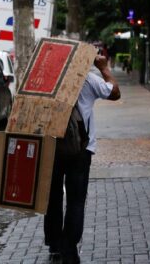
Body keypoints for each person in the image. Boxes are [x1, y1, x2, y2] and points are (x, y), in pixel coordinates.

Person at [44, 55, 121, 264]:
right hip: (81, 149)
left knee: (52, 198)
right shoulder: (87, 78)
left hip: (51, 147)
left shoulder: (47, 79)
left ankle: (54, 245)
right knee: (76, 201)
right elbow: (115, 93)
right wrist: (104, 67)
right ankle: (69, 248)